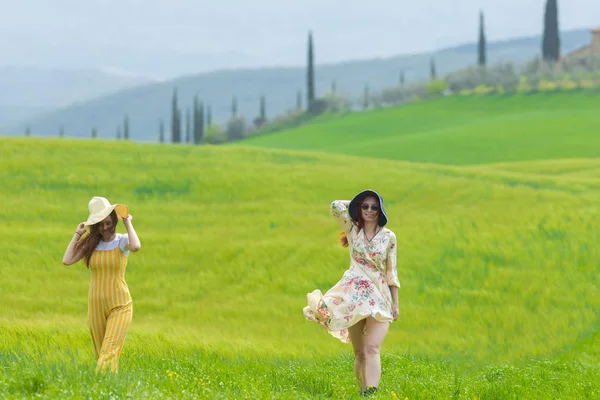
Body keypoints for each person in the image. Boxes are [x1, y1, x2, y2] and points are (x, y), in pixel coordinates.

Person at [303, 189, 400, 396]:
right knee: (360, 353)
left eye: (374, 207)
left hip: (379, 297)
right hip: (353, 297)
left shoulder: (389, 237)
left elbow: (392, 272)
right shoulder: (353, 230)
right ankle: (361, 391)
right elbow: (336, 206)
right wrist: (355, 202)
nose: (369, 210)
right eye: (365, 206)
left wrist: (396, 303)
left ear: (380, 210)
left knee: (373, 348)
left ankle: (371, 393)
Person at [62, 196, 141, 374]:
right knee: (101, 354)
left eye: (108, 223)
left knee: (109, 352)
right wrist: (77, 235)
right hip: (96, 305)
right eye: (100, 224)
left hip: (120, 304)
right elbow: (67, 260)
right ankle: (108, 389)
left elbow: (135, 246)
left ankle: (97, 384)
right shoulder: (92, 244)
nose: (105, 228)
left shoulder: (122, 241)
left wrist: (128, 222)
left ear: (114, 220)